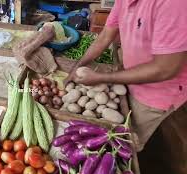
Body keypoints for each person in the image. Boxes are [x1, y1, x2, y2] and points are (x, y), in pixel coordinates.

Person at [65, 0, 187, 152]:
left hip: (156, 93)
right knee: (117, 129)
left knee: (126, 142)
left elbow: (165, 68)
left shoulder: (174, 4)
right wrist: (78, 65)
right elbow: (105, 37)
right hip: (130, 76)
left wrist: (102, 78)